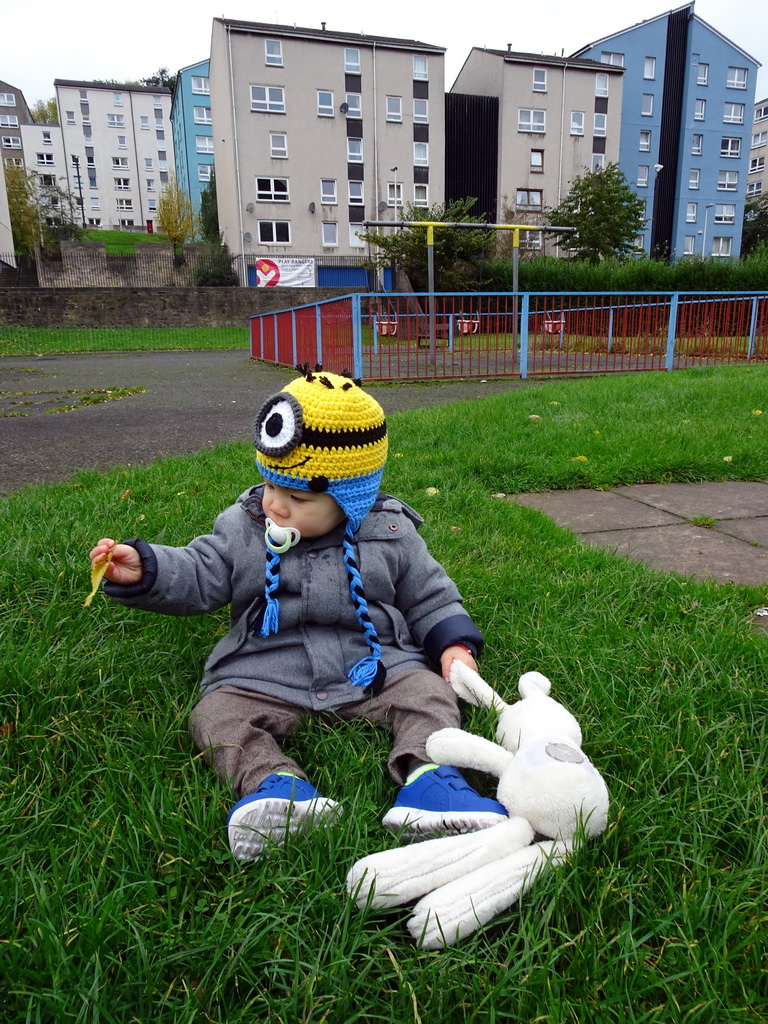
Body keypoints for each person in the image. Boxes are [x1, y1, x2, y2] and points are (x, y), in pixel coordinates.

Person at [89, 367, 507, 862]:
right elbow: (202, 570)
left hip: (373, 663)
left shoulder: (390, 531)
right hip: (265, 666)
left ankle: (430, 782)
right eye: (269, 487)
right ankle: (274, 786)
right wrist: (149, 569)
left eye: (298, 498)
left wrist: (453, 644)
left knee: (429, 696)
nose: (276, 507)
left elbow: (430, 596)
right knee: (216, 715)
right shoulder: (244, 528)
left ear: (352, 498)